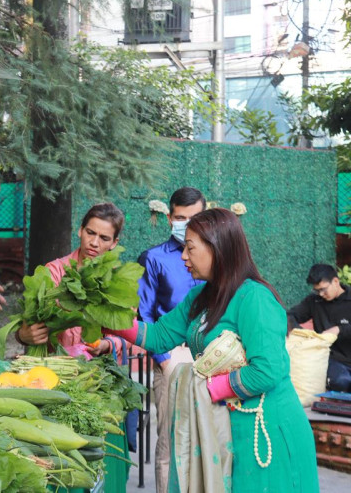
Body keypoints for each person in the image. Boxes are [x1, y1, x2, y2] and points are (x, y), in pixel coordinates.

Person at [111, 208, 319, 492]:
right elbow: (159, 336)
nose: (183, 256)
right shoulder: (201, 296)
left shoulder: (255, 298)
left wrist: (205, 389)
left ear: (217, 248)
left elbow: (268, 370)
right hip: (222, 428)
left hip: (265, 431)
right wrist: (107, 319)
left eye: (190, 248)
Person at [137, 187, 205, 493]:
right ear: (169, 217)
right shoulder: (153, 258)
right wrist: (164, 361)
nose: (187, 224)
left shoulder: (218, 258)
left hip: (213, 357)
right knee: (169, 442)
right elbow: (145, 315)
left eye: (195, 218)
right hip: (170, 358)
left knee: (211, 438)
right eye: (181, 217)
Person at [16, 203, 127, 358]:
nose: (94, 243)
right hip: (52, 365)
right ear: (80, 230)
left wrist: (106, 344)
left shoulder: (117, 282)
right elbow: (30, 323)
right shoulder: (53, 272)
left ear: (114, 243)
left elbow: (128, 331)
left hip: (97, 370)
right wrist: (23, 335)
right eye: (90, 232)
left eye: (104, 238)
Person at [288, 263, 351, 404]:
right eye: (317, 291)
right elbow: (289, 316)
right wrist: (305, 334)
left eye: (323, 289)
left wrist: (340, 330)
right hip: (329, 358)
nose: (321, 294)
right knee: (341, 381)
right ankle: (345, 396)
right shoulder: (314, 301)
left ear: (335, 281)